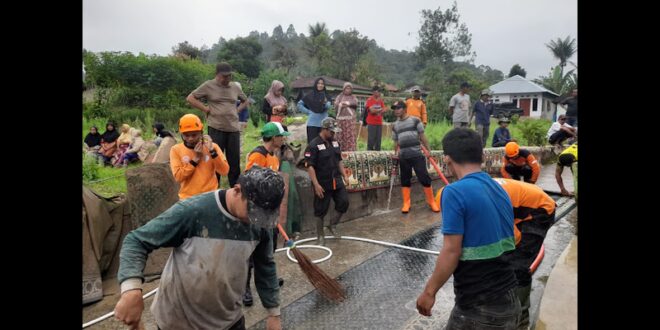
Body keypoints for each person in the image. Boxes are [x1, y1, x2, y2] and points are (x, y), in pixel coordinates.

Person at [114, 166, 285, 330]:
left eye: (263, 215)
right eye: (253, 211)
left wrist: (274, 313)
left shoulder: (259, 224)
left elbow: (265, 265)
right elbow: (136, 241)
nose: (256, 219)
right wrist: (131, 290)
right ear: (237, 190)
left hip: (228, 321)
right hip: (178, 322)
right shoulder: (193, 212)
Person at [416, 128, 520, 329]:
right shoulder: (499, 188)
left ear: (446, 159)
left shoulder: (453, 192)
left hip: (479, 308)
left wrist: (429, 293)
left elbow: (451, 250)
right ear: (482, 156)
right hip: (510, 299)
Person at [493, 178, 557, 330]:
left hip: (540, 210)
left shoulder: (488, 204)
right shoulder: (475, 193)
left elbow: (512, 237)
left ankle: (521, 318)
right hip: (521, 205)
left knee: (518, 265)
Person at [243, 122, 291, 307]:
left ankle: (268, 281)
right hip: (256, 212)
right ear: (273, 138)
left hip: (270, 211)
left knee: (268, 249)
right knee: (252, 251)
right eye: (281, 136)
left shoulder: (273, 156)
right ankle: (245, 289)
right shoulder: (258, 155)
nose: (283, 139)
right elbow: (249, 181)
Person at [186, 62, 248, 187]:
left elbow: (245, 100)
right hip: (216, 128)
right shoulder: (208, 85)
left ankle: (235, 188)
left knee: (234, 161)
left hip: (233, 129)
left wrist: (237, 110)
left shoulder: (235, 87)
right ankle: (214, 187)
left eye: (229, 76)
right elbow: (190, 98)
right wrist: (205, 109)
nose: (227, 79)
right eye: (224, 76)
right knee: (215, 158)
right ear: (217, 75)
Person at [304, 117, 350, 245]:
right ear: (324, 129)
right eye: (331, 131)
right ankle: (320, 236)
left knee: (344, 202)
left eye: (334, 132)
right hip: (322, 183)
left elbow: (339, 160)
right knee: (320, 210)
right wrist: (316, 184)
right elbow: (310, 166)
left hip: (336, 180)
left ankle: (332, 225)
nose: (333, 134)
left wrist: (344, 175)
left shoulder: (335, 143)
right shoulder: (313, 145)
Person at [390, 100, 439, 213]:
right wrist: (395, 153)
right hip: (403, 156)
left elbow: (422, 136)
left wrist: (428, 150)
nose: (396, 111)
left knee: (424, 178)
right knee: (405, 179)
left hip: (416, 154)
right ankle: (406, 203)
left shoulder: (415, 120)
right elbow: (396, 142)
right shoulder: (395, 125)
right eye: (394, 109)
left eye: (398, 108)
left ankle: (431, 202)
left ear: (405, 109)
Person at [169, 114, 230, 200]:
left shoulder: (213, 147)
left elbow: (224, 171)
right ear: (181, 135)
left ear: (201, 133)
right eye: (186, 135)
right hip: (188, 198)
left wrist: (212, 152)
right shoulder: (176, 150)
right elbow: (178, 177)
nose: (190, 139)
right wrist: (195, 159)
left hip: (210, 196)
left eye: (194, 135)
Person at [298, 77, 331, 143]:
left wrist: (325, 103)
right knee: (312, 144)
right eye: (318, 83)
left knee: (324, 144)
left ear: (324, 85)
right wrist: (308, 112)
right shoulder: (310, 95)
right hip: (312, 124)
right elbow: (299, 104)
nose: (320, 85)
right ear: (316, 84)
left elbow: (328, 106)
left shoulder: (326, 95)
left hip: (324, 125)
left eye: (322, 84)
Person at [334, 82, 358, 151]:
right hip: (340, 120)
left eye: (349, 88)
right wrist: (341, 105)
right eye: (346, 88)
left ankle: (350, 151)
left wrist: (348, 104)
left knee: (350, 136)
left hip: (350, 120)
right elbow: (336, 104)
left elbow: (355, 103)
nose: (348, 90)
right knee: (340, 135)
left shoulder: (353, 97)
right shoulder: (339, 96)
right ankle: (340, 151)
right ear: (343, 89)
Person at [365, 85, 387, 151]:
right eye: (378, 91)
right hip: (371, 123)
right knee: (371, 140)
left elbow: (385, 109)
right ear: (373, 92)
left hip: (379, 122)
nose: (379, 93)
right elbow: (372, 111)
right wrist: (380, 110)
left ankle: (378, 155)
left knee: (378, 141)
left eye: (380, 91)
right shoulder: (369, 100)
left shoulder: (380, 100)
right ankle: (369, 154)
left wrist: (378, 110)